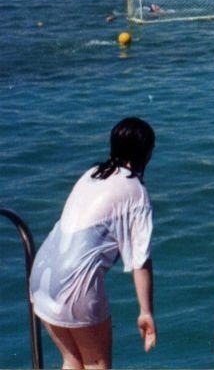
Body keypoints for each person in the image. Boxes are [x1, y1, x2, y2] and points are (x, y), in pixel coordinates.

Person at [29, 118, 158, 369]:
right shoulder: (136, 192)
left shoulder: (92, 174)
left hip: (41, 277)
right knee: (97, 364)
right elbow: (140, 259)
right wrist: (146, 311)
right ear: (146, 152)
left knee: (72, 360)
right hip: (75, 288)